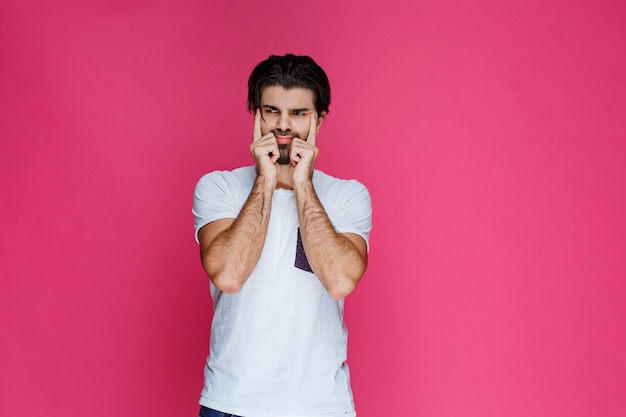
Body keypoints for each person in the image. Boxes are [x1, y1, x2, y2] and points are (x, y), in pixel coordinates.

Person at [192, 54, 372, 417]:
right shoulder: (220, 188)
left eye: (300, 113)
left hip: (321, 406)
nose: (283, 125)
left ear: (320, 119)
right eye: (271, 111)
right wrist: (266, 180)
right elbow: (229, 275)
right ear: (255, 115)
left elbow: (340, 281)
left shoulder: (347, 196)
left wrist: (303, 183)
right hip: (231, 402)